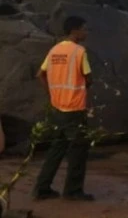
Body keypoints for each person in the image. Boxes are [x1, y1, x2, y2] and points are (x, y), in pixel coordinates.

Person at [33, 16, 94, 201]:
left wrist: (52, 95)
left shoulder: (54, 50)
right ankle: (73, 191)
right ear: (75, 31)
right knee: (78, 150)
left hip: (58, 107)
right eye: (84, 28)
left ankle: (42, 187)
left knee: (57, 148)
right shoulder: (79, 51)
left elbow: (40, 75)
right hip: (74, 108)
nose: (86, 32)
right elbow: (88, 78)